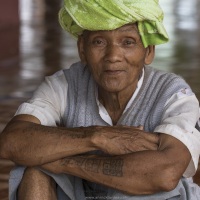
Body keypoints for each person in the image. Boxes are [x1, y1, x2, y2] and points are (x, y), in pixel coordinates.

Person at [0, 0, 200, 199]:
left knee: (141, 183)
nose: (113, 56)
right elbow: (11, 142)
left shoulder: (174, 95)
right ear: (82, 50)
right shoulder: (64, 85)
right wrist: (97, 137)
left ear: (148, 52)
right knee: (34, 172)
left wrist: (64, 162)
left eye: (128, 42)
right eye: (99, 42)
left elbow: (165, 174)